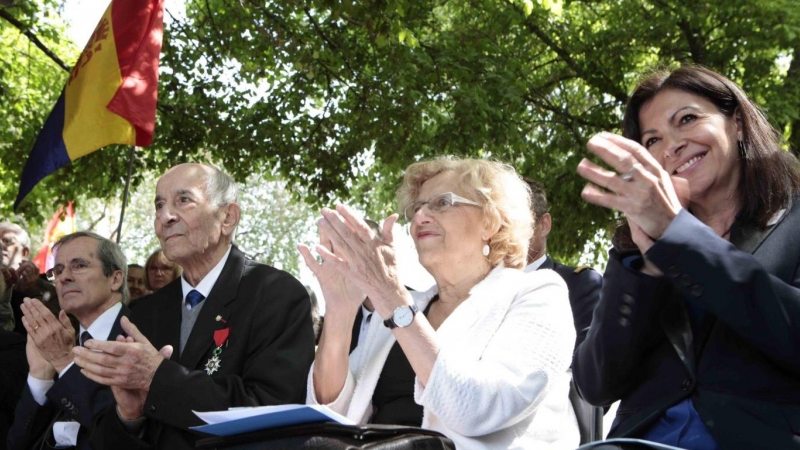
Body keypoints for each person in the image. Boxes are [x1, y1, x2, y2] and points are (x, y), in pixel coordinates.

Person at [574, 65, 800, 449]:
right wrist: (649, 267)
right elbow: (596, 384)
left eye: (688, 119)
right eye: (652, 139)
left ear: (738, 124)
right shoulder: (635, 251)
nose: (671, 145)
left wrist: (680, 239)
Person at [300, 157, 579, 449]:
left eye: (442, 203)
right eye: (416, 208)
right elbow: (329, 417)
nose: (420, 216)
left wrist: (389, 295)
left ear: (491, 221)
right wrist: (341, 309)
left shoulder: (538, 293)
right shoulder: (407, 306)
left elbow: (480, 410)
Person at [74, 163, 316, 449]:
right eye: (159, 205)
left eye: (183, 200)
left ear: (228, 217)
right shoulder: (144, 312)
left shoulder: (275, 294)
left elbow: (270, 412)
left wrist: (157, 378)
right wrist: (130, 416)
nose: (165, 216)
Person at [7, 231, 130, 450]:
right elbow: (16, 444)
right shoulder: (59, 341)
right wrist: (40, 377)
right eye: (59, 270)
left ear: (115, 278)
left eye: (79, 265)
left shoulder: (145, 335)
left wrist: (65, 363)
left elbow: (121, 434)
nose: (64, 277)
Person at [523, 179, 602, 350]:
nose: (504, 231)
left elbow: (586, 365)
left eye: (517, 221)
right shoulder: (479, 287)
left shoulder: (580, 284)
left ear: (544, 225)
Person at [0, 222, 58, 333]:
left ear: (24, 252)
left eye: (7, 241)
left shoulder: (47, 291)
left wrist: (29, 291)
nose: (0, 246)